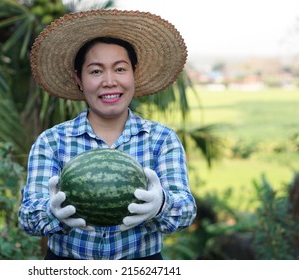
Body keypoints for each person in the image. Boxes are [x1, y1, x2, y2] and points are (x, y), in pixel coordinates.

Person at [18, 9, 197, 260]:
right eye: (95, 71)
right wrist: (51, 211)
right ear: (78, 79)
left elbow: (186, 210)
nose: (110, 81)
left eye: (120, 69)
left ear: (133, 73)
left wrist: (162, 204)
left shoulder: (162, 140)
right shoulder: (51, 142)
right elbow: (27, 218)